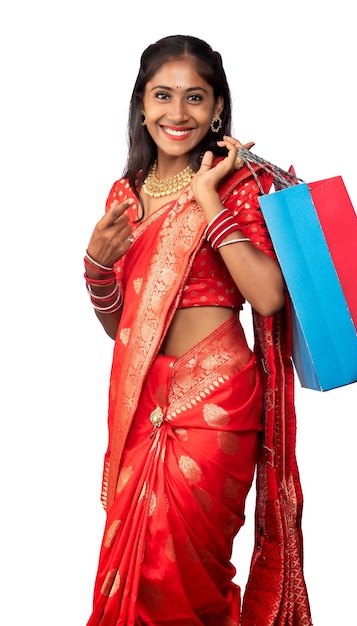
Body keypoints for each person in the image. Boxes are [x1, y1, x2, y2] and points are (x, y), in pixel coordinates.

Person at [84, 34, 312, 626]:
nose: (177, 113)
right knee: (136, 580)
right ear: (141, 105)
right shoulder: (124, 196)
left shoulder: (238, 186)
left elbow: (265, 296)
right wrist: (97, 267)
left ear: (216, 109)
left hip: (215, 400)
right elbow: (126, 330)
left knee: (187, 576)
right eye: (163, 95)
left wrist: (211, 202)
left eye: (195, 97)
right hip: (145, 402)